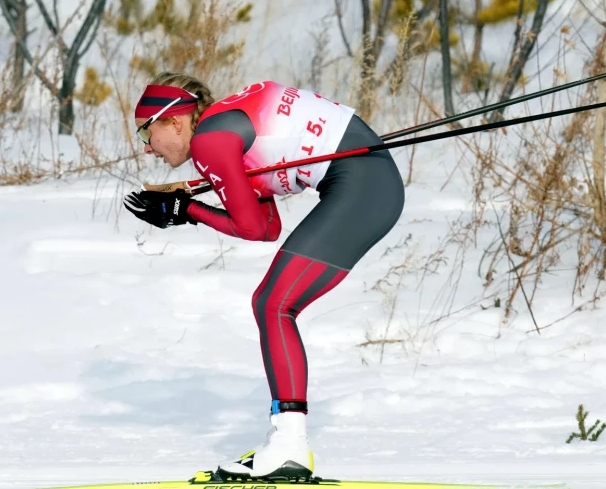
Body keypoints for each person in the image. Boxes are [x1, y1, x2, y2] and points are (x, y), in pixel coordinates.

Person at [124, 72, 405, 480]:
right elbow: (268, 227)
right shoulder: (227, 128)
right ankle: (288, 443)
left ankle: (289, 447)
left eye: (145, 132)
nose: (147, 147)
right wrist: (188, 208)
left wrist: (187, 210)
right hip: (369, 184)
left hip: (362, 187)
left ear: (175, 120)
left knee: (273, 305)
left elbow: (253, 228)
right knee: (272, 303)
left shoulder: (210, 142)